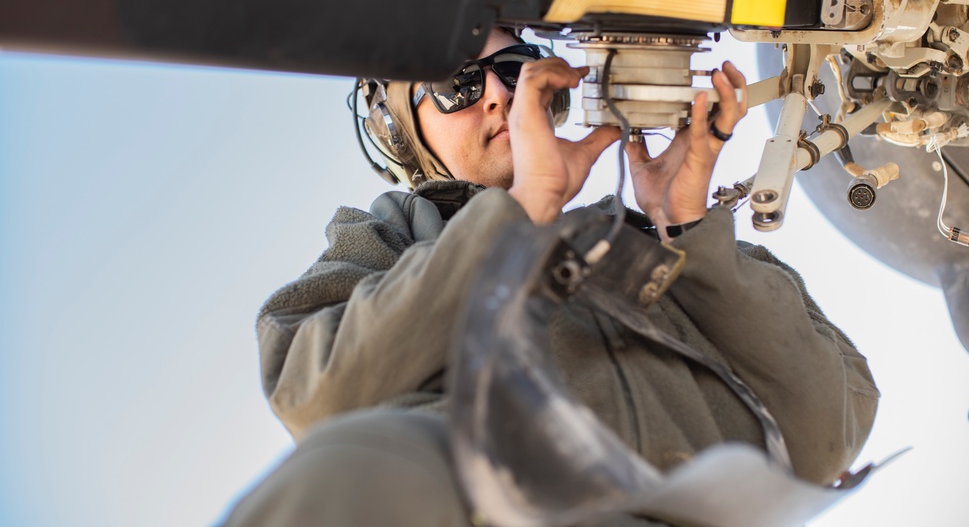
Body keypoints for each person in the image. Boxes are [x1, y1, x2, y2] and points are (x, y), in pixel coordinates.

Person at [221, 26, 879, 527]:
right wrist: (522, 207)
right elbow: (314, 387)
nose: (500, 96)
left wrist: (685, 225)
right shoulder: (391, 236)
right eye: (459, 84)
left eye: (511, 71)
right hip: (495, 501)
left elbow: (831, 429)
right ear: (402, 130)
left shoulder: (653, 242)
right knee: (354, 469)